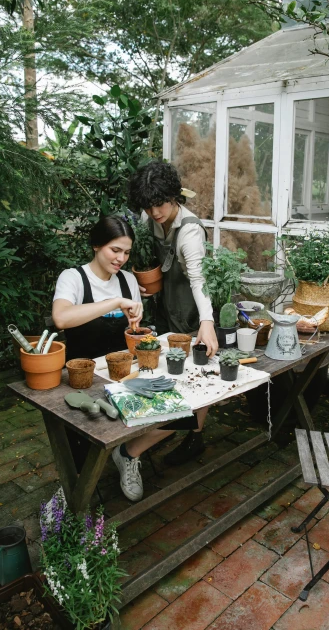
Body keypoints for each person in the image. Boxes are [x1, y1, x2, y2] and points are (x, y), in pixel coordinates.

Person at [52, 215, 184, 502]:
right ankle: (78, 490)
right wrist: (114, 302)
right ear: (97, 245)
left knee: (182, 414)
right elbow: (61, 318)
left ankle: (128, 454)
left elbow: (133, 332)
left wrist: (137, 325)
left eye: (126, 252)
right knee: (84, 458)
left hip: (125, 376)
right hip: (83, 382)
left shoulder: (128, 281)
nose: (121, 258)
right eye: (115, 250)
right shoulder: (73, 278)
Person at [128, 161, 218, 467]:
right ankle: (162, 430)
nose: (155, 213)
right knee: (162, 367)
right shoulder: (148, 216)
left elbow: (199, 281)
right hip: (165, 300)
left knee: (195, 371)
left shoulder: (190, 232)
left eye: (160, 204)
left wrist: (207, 323)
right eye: (148, 206)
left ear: (174, 196)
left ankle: (193, 435)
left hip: (193, 305)